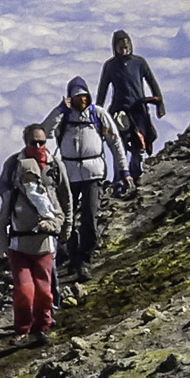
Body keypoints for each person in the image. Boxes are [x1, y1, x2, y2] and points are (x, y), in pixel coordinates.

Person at [41, 78, 126, 280]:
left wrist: (123, 170)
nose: (82, 101)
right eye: (77, 97)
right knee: (66, 219)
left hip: (92, 173)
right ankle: (72, 256)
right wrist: (60, 110)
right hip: (68, 174)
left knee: (90, 217)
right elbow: (44, 132)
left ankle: (84, 260)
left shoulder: (98, 115)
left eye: (84, 96)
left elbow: (115, 142)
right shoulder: (64, 117)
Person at [0, 124, 71, 336]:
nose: (38, 146)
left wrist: (64, 227)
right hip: (19, 246)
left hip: (45, 245)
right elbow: (2, 218)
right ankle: (23, 330)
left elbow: (65, 201)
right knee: (24, 292)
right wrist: (2, 244)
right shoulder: (13, 169)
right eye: (34, 142)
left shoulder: (54, 167)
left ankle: (43, 326)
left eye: (42, 142)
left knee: (44, 292)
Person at [96, 30, 165, 190]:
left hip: (138, 110)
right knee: (118, 144)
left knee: (138, 144)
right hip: (119, 112)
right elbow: (103, 90)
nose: (124, 50)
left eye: (126, 46)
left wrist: (160, 105)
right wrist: (98, 114)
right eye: (120, 47)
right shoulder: (110, 66)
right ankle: (119, 176)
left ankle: (137, 174)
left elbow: (152, 82)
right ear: (115, 47)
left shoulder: (139, 62)